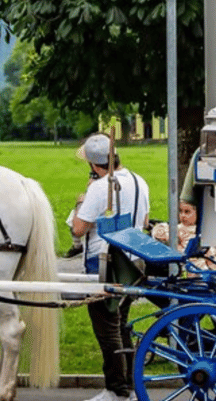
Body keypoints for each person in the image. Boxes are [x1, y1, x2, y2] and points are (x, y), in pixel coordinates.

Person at [72, 134, 150, 401]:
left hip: (104, 263)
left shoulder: (100, 188)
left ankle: (116, 390)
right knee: (121, 325)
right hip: (133, 260)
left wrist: (81, 202)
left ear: (94, 166)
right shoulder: (140, 182)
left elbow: (78, 229)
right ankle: (128, 385)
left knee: (107, 331)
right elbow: (146, 220)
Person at [150, 200, 216, 271]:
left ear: (198, 213)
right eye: (180, 211)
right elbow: (158, 231)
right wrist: (171, 238)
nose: (183, 215)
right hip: (189, 261)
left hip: (205, 259)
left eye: (187, 212)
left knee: (214, 262)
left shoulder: (203, 229)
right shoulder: (178, 228)